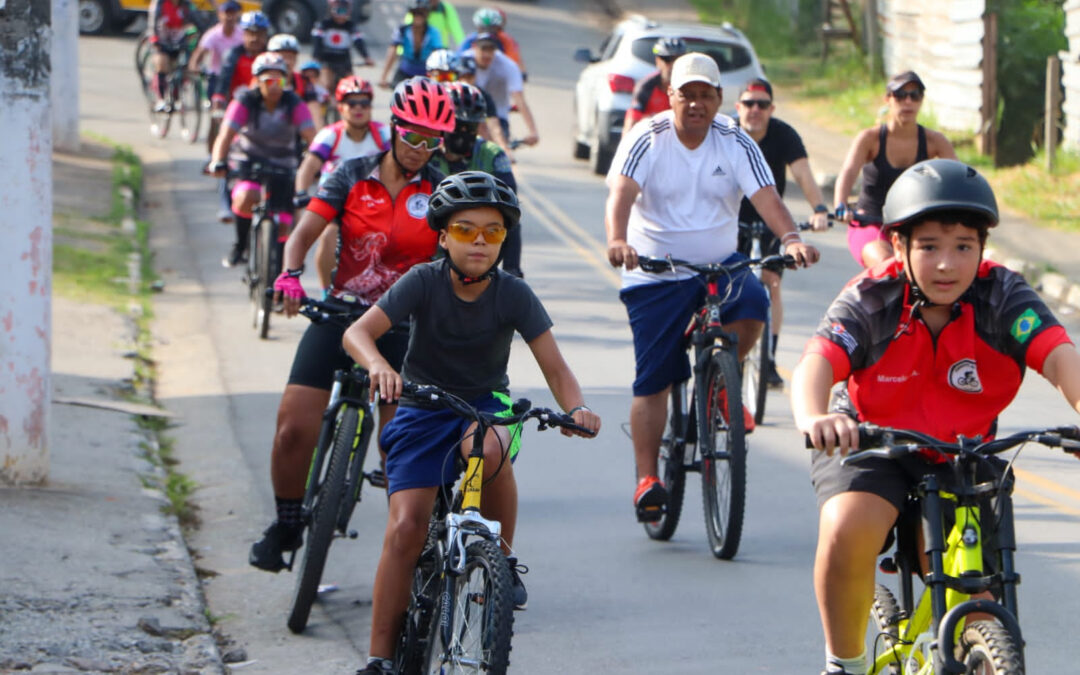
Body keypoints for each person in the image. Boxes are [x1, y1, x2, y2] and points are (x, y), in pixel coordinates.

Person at [792, 158, 1080, 675]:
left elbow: (1060, 357)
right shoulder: (872, 297)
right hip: (871, 437)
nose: (947, 264)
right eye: (929, 247)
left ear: (983, 248)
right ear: (898, 245)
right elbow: (817, 363)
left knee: (976, 592)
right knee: (848, 526)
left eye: (963, 247)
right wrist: (814, 417)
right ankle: (844, 663)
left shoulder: (1003, 297)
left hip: (961, 450)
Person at [342, 171, 601, 675]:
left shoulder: (514, 293)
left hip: (485, 403)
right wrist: (378, 366)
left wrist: (576, 409)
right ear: (443, 237)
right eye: (465, 230)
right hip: (422, 406)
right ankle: (378, 658)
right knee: (406, 527)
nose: (479, 241)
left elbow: (555, 368)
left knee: (488, 446)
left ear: (504, 240)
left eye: (492, 231)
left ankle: (501, 560)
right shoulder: (423, 281)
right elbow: (358, 333)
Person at [248, 77, 456, 574]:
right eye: (413, 135)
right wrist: (290, 275)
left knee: (398, 446)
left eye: (432, 141)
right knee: (292, 430)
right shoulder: (352, 174)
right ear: (395, 127)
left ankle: (416, 553)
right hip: (342, 315)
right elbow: (304, 232)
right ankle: (286, 524)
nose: (420, 148)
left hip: (404, 329)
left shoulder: (442, 190)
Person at [604, 53, 819, 522]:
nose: (696, 104)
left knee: (755, 301)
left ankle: (723, 381)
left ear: (720, 98)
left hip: (720, 264)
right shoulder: (648, 136)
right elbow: (621, 193)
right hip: (656, 272)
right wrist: (618, 240)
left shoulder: (734, 139)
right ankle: (648, 479)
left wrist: (792, 239)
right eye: (687, 95)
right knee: (654, 378)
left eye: (706, 95)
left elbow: (767, 197)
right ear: (671, 96)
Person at [734, 78, 830, 388]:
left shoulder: (784, 134)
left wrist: (819, 209)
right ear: (738, 107)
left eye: (762, 104)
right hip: (730, 220)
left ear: (772, 109)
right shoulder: (726, 133)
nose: (755, 109)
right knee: (725, 282)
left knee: (771, 283)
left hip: (771, 221)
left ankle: (769, 359)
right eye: (749, 103)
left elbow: (802, 173)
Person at [834, 71, 957, 269]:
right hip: (870, 223)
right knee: (887, 265)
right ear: (888, 99)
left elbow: (958, 180)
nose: (908, 102)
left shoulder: (935, 141)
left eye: (914, 95)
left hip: (912, 226)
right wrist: (840, 205)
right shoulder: (870, 139)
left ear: (921, 100)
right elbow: (848, 172)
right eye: (900, 95)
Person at [209, 53, 316, 267]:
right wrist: (217, 160)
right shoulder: (245, 101)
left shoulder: (294, 103)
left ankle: (284, 263)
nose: (274, 86)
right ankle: (241, 246)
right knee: (246, 197)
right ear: (257, 81)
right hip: (248, 161)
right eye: (268, 81)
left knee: (286, 220)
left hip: (284, 164)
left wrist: (319, 164)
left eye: (280, 81)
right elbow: (225, 135)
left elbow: (313, 138)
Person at [295, 76, 392, 293]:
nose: (358, 108)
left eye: (364, 103)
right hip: (336, 202)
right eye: (352, 103)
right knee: (329, 236)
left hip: (374, 202)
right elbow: (309, 166)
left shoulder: (384, 134)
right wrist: (301, 192)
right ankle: (327, 293)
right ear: (340, 107)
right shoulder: (330, 135)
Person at [430, 82, 523, 277]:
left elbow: (511, 208)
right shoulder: (428, 151)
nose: (463, 133)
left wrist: (512, 270)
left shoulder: (493, 155)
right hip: (431, 251)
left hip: (478, 250)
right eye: (457, 126)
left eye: (470, 127)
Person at [464, 31, 538, 150]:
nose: (487, 55)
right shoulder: (463, 62)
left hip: (498, 115)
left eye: (491, 50)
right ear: (474, 48)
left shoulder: (508, 66)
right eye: (483, 49)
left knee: (499, 146)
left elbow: (519, 99)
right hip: (467, 114)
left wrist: (533, 131)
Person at [189, 0, 243, 157]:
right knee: (215, 116)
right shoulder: (213, 34)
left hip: (235, 79)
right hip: (217, 79)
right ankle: (211, 153)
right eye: (227, 13)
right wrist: (195, 67)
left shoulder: (242, 35)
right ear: (220, 15)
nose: (230, 17)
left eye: (233, 13)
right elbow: (199, 54)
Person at [311, 0, 375, 95]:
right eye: (338, 11)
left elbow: (358, 42)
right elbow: (317, 42)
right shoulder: (323, 24)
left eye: (344, 11)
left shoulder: (351, 26)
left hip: (345, 62)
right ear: (331, 10)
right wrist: (315, 57)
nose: (341, 16)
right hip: (327, 61)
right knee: (327, 85)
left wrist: (366, 57)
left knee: (352, 87)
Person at [623, 36, 685, 131]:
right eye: (667, 59)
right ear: (657, 61)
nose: (672, 65)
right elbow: (631, 123)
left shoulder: (689, 87)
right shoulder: (646, 86)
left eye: (677, 60)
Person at [453, 51, 509, 155]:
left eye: (469, 77)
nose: (466, 81)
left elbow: (494, 126)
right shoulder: (449, 94)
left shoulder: (482, 96)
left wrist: (504, 148)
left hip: (474, 146)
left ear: (475, 77)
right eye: (463, 77)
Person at [379, 0, 444, 88]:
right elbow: (392, 52)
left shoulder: (433, 32)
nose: (418, 16)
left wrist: (438, 79)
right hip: (404, 72)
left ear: (427, 14)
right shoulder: (402, 30)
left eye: (421, 13)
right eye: (415, 13)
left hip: (425, 74)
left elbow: (438, 55)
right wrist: (383, 77)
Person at [459, 7, 526, 77]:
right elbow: (459, 58)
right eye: (482, 29)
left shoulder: (506, 40)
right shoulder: (470, 40)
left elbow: (515, 59)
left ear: (498, 28)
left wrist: (521, 72)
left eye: (492, 29)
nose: (487, 33)